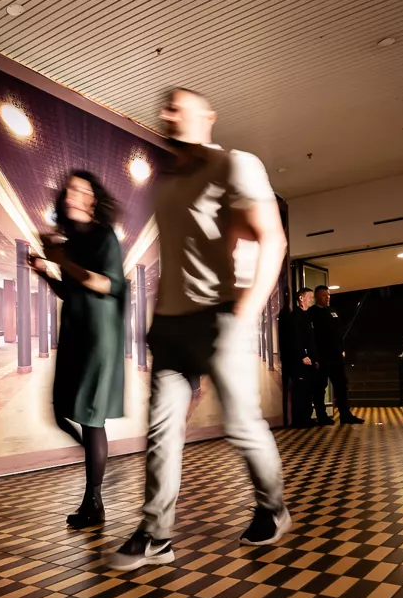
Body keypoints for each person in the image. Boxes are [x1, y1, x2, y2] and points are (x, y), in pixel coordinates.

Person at [108, 88, 291, 571]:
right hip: (172, 325)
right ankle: (156, 535)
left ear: (207, 117)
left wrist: (245, 315)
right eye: (165, 108)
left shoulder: (236, 165)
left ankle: (273, 508)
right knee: (161, 433)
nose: (166, 114)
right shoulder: (166, 183)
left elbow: (272, 239)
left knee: (241, 425)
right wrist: (158, 320)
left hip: (220, 317)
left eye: (177, 107)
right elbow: (174, 257)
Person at [30, 172, 126, 529]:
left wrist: (61, 259)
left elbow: (105, 284)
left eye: (80, 190)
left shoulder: (105, 236)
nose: (71, 194)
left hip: (99, 335)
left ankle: (94, 502)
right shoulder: (70, 243)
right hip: (74, 330)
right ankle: (96, 463)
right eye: (69, 189)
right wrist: (44, 270)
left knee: (90, 416)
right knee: (59, 411)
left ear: (93, 200)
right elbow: (70, 290)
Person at [311, 285, 365, 424]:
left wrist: (342, 349)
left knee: (341, 385)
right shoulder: (312, 313)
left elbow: (338, 332)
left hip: (336, 356)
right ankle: (322, 416)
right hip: (322, 357)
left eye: (328, 295)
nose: (327, 297)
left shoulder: (332, 311)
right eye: (324, 295)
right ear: (317, 297)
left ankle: (345, 415)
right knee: (320, 388)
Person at [281, 287, 322, 426]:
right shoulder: (295, 317)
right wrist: (302, 356)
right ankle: (300, 419)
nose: (312, 299)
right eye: (310, 297)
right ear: (301, 298)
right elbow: (295, 339)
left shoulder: (307, 316)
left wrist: (315, 359)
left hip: (310, 360)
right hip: (301, 361)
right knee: (301, 390)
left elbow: (311, 340)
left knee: (308, 389)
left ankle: (307, 417)